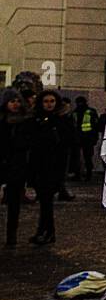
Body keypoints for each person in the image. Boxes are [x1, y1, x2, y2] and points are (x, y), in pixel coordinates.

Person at [20, 90, 69, 245]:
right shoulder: (35, 120)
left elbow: (65, 146)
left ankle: (47, 232)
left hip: (53, 167)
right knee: (44, 202)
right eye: (46, 101)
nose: (49, 104)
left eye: (52, 101)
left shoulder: (61, 121)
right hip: (38, 166)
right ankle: (45, 231)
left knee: (47, 201)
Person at [2, 88, 29, 248]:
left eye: (18, 101)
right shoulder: (2, 121)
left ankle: (11, 234)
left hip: (17, 166)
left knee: (14, 203)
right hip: (4, 163)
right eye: (13, 101)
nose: (16, 104)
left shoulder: (25, 121)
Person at [70, 96, 99, 181]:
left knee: (87, 157)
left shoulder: (90, 112)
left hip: (87, 138)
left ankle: (88, 174)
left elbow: (95, 126)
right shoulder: (75, 112)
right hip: (79, 138)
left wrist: (94, 138)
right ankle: (78, 174)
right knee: (78, 157)